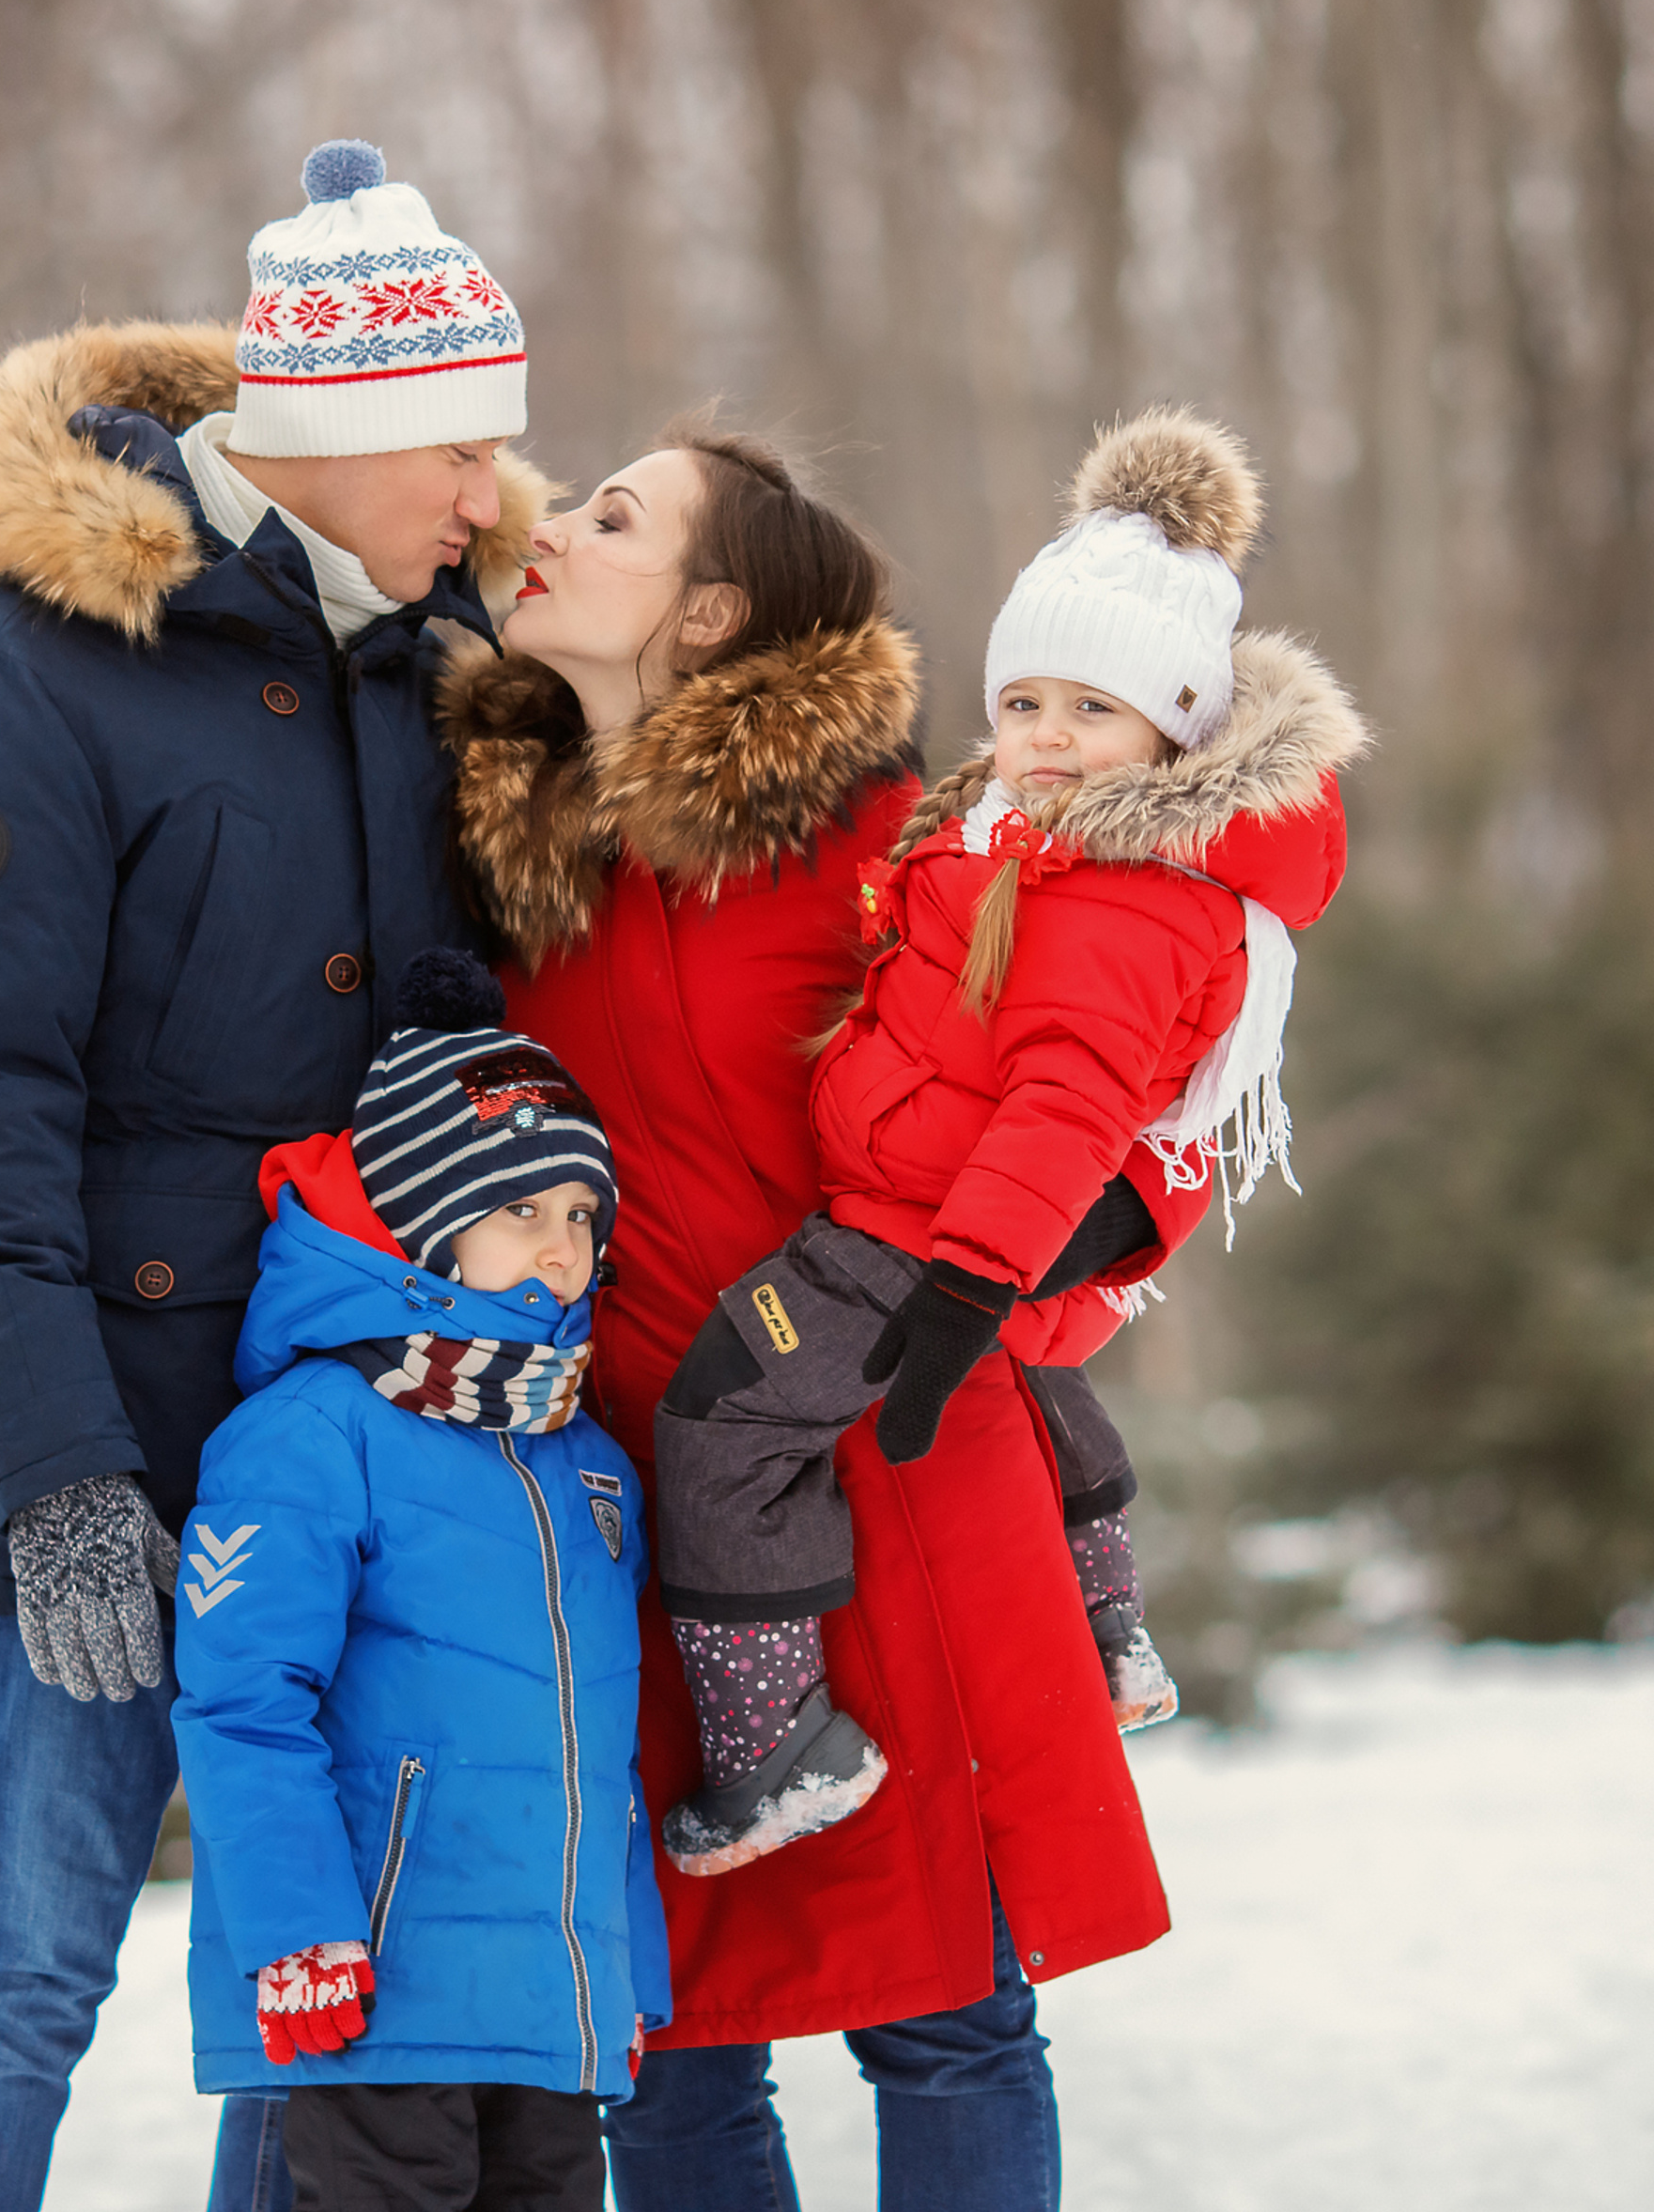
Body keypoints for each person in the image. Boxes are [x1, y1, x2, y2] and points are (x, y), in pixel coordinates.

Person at [0, 141, 549, 2212]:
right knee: (21, 1963)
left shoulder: (439, 672)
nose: (491, 491)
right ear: (334, 425)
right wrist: (54, 1478)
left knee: (311, 1980)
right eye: (461, 446)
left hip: (372, 1445)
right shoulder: (29, 674)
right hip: (119, 1438)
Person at [440, 420, 1135, 2212]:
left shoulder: (884, 840)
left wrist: (1079, 1242)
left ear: (710, 613)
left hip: (893, 1452)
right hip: (634, 1493)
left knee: (948, 2011)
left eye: (614, 519)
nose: (553, 527)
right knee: (669, 2039)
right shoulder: (524, 863)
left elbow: (1095, 1057)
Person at [650, 407, 1368, 1879]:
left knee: (725, 1421)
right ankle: (1109, 1630)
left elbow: (1068, 1106)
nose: (1046, 735)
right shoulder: (1017, 841)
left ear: (1175, 731)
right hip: (924, 1203)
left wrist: (972, 1283)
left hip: (918, 1236)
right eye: (1026, 700)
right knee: (1038, 1390)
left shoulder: (1119, 898)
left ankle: (775, 1744)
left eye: (1093, 709)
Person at [171, 951, 670, 2212]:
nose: (563, 1247)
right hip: (376, 1992)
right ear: (424, 1221)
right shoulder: (311, 1433)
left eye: (583, 1215)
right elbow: (242, 1706)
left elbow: (598, 1751)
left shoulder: (588, 1462)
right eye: (523, 1210)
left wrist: (622, 1971)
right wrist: (298, 1934)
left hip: (548, 2004)